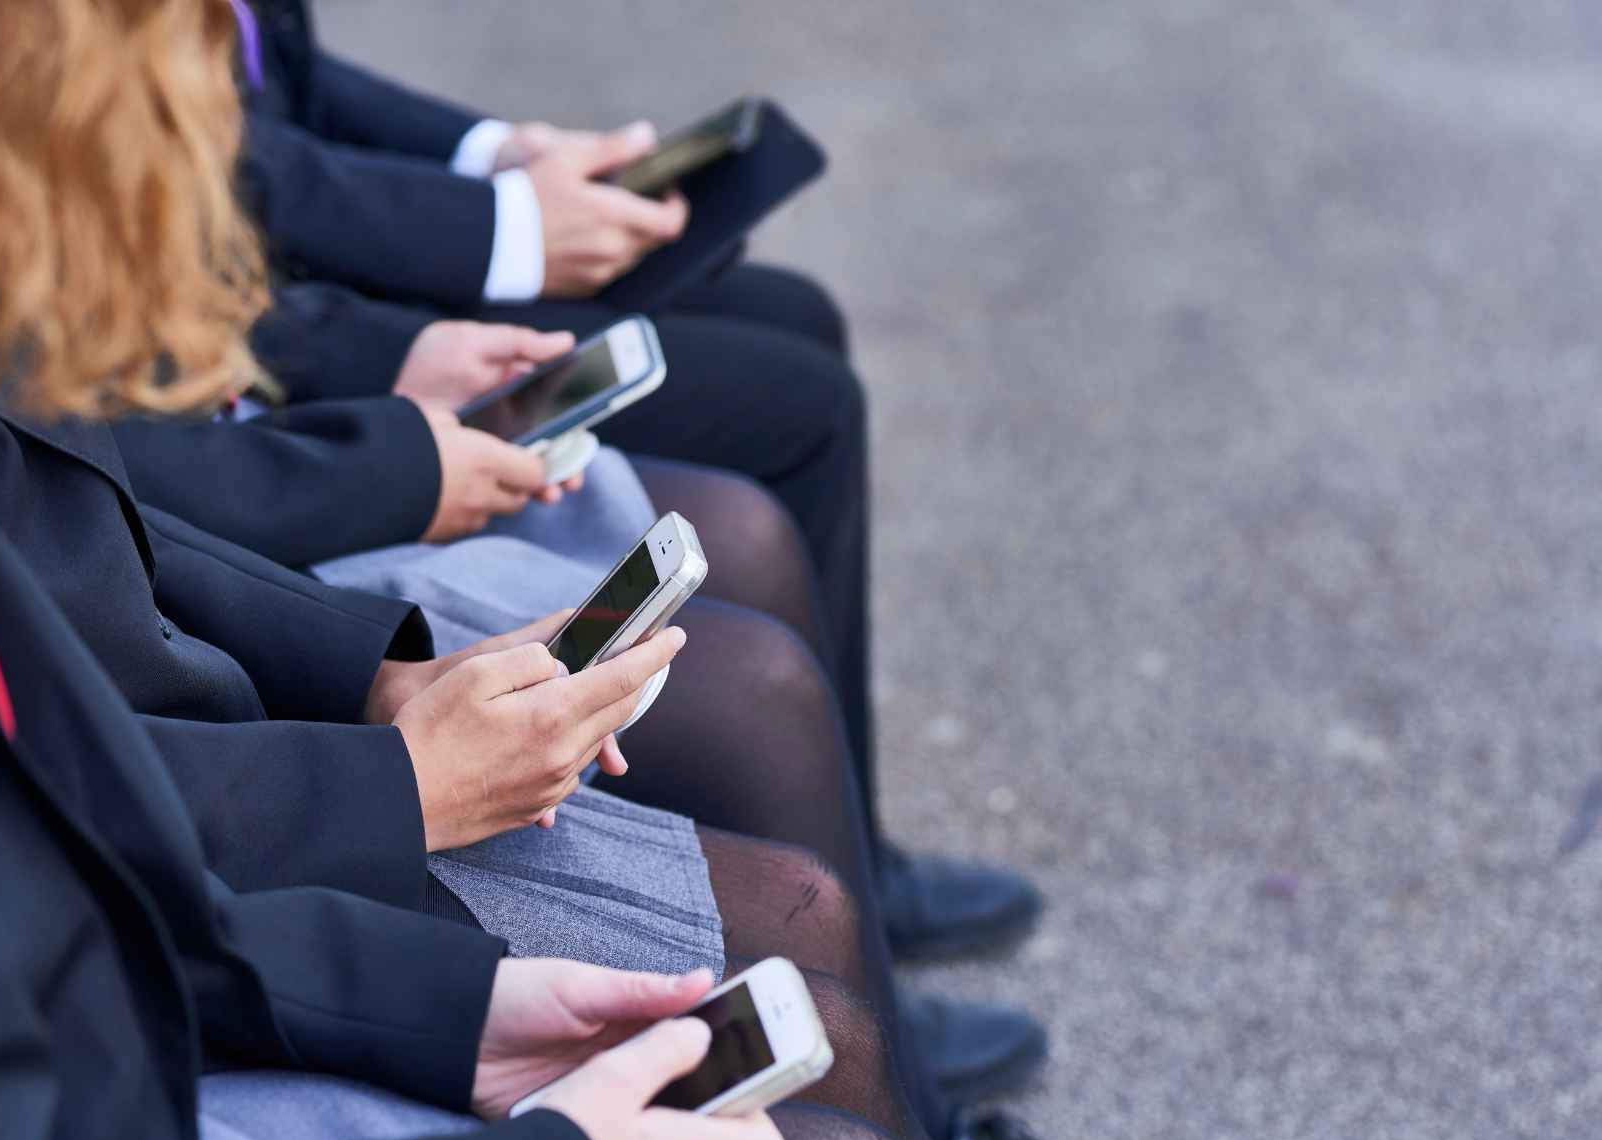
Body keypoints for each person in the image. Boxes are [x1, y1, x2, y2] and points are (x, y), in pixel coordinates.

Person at [0, 1, 1056, 1140]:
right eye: (141, 89)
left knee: (841, 1120)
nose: (195, 172)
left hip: (136, 1056)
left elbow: (58, 829)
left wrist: (441, 1012)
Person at [228, 0, 1042, 959]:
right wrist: (495, 240)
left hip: (264, 323)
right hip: (255, 372)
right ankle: (847, 935)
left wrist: (495, 156)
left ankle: (855, 886)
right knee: (791, 433)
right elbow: (201, 165)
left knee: (790, 320)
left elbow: (265, 69)